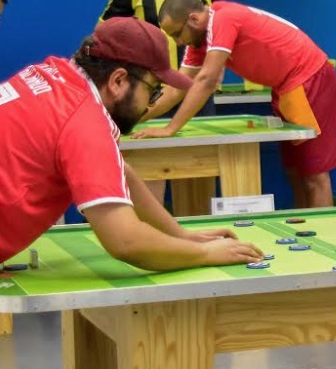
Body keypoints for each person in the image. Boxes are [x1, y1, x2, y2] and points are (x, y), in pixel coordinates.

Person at [0, 18, 263, 270]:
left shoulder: (51, 73)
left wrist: (179, 235)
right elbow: (126, 242)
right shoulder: (84, 122)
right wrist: (206, 253)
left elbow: (117, 169)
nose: (151, 104)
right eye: (153, 90)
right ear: (118, 81)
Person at [131, 0, 336, 209]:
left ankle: (319, 234)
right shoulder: (201, 39)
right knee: (296, 173)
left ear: (194, 19)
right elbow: (177, 87)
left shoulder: (224, 19)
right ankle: (303, 231)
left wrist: (171, 128)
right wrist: (132, 120)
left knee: (314, 175)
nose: (178, 42)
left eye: (177, 34)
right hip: (286, 88)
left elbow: (207, 80)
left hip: (309, 78)